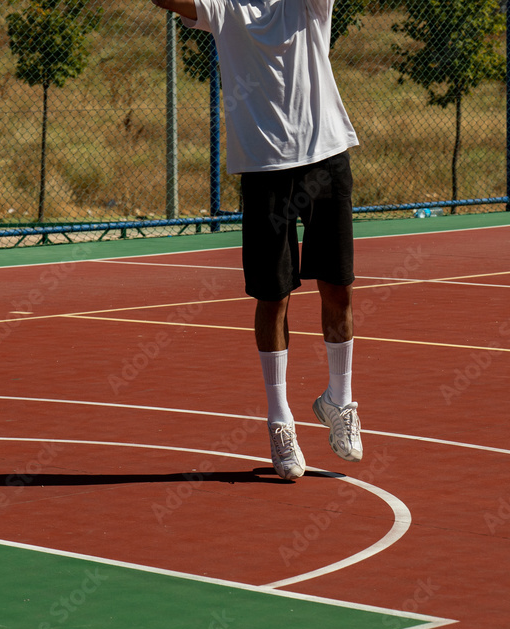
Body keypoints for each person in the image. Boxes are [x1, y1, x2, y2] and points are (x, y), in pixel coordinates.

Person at [151, 0, 363, 480]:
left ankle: (340, 400)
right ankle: (280, 420)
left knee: (339, 287)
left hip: (325, 157)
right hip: (265, 170)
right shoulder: (224, 7)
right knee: (274, 297)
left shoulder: (307, 5)